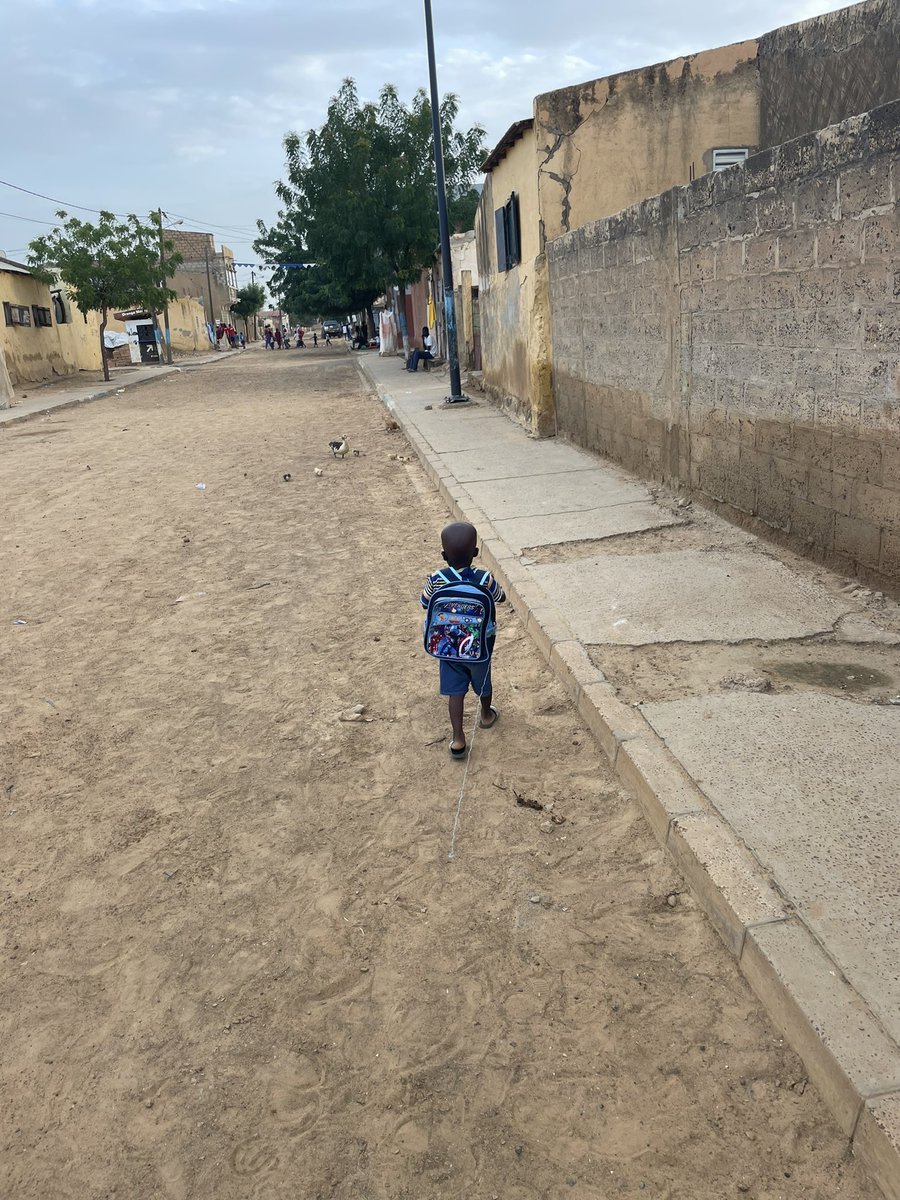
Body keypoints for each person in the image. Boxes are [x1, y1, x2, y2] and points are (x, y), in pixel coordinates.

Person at [420, 522, 505, 759]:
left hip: (447, 647)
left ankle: (458, 738)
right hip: (479, 649)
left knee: (455, 693)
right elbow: (501, 597)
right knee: (483, 685)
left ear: (444, 555)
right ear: (476, 552)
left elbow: (425, 602)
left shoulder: (437, 579)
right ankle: (486, 715)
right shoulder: (484, 578)